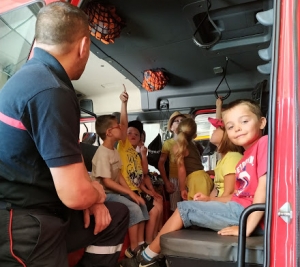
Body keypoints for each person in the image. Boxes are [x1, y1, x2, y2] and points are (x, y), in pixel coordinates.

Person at [0, 2, 129, 267]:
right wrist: (95, 194)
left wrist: (89, 197)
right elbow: (76, 194)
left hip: (42, 210)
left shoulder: (28, 79)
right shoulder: (51, 91)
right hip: (26, 226)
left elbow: (70, 170)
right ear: (84, 46)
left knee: (116, 215)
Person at [120, 98, 268, 267]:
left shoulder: (263, 144)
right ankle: (153, 254)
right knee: (188, 206)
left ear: (262, 122)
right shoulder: (245, 157)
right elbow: (236, 196)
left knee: (185, 208)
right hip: (239, 209)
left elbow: (263, 191)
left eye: (244, 121)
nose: (237, 128)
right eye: (230, 126)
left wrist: (246, 227)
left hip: (245, 213)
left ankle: (146, 259)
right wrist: (209, 199)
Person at [91, 113, 150, 260]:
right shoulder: (102, 153)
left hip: (114, 191)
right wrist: (130, 194)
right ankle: (133, 249)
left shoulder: (114, 150)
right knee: (133, 207)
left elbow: (120, 176)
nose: (121, 127)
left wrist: (132, 193)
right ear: (109, 132)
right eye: (118, 125)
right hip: (105, 194)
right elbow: (107, 182)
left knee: (141, 204)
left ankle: (142, 244)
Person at [117, 91, 163, 253]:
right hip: (126, 190)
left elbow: (143, 172)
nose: (132, 135)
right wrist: (124, 104)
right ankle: (138, 247)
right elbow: (123, 125)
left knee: (151, 208)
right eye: (129, 133)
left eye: (136, 134)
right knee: (144, 208)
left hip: (136, 188)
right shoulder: (122, 146)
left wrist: (143, 154)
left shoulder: (136, 154)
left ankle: (146, 244)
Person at [201, 98, 243, 199]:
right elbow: (216, 190)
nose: (214, 130)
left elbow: (228, 194)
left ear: (226, 135)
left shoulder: (232, 158)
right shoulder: (222, 160)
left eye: (218, 128)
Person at [174, 118, 214, 200]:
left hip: (195, 180)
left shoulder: (179, 147)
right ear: (194, 134)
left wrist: (182, 189)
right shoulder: (193, 144)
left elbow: (181, 170)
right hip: (203, 177)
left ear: (178, 130)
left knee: (197, 208)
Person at [158, 111, 188, 212]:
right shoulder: (168, 143)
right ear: (171, 128)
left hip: (189, 178)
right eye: (176, 121)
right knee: (175, 209)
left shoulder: (189, 143)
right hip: (174, 179)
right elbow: (161, 164)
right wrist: (166, 182)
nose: (180, 122)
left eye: (182, 121)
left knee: (189, 206)